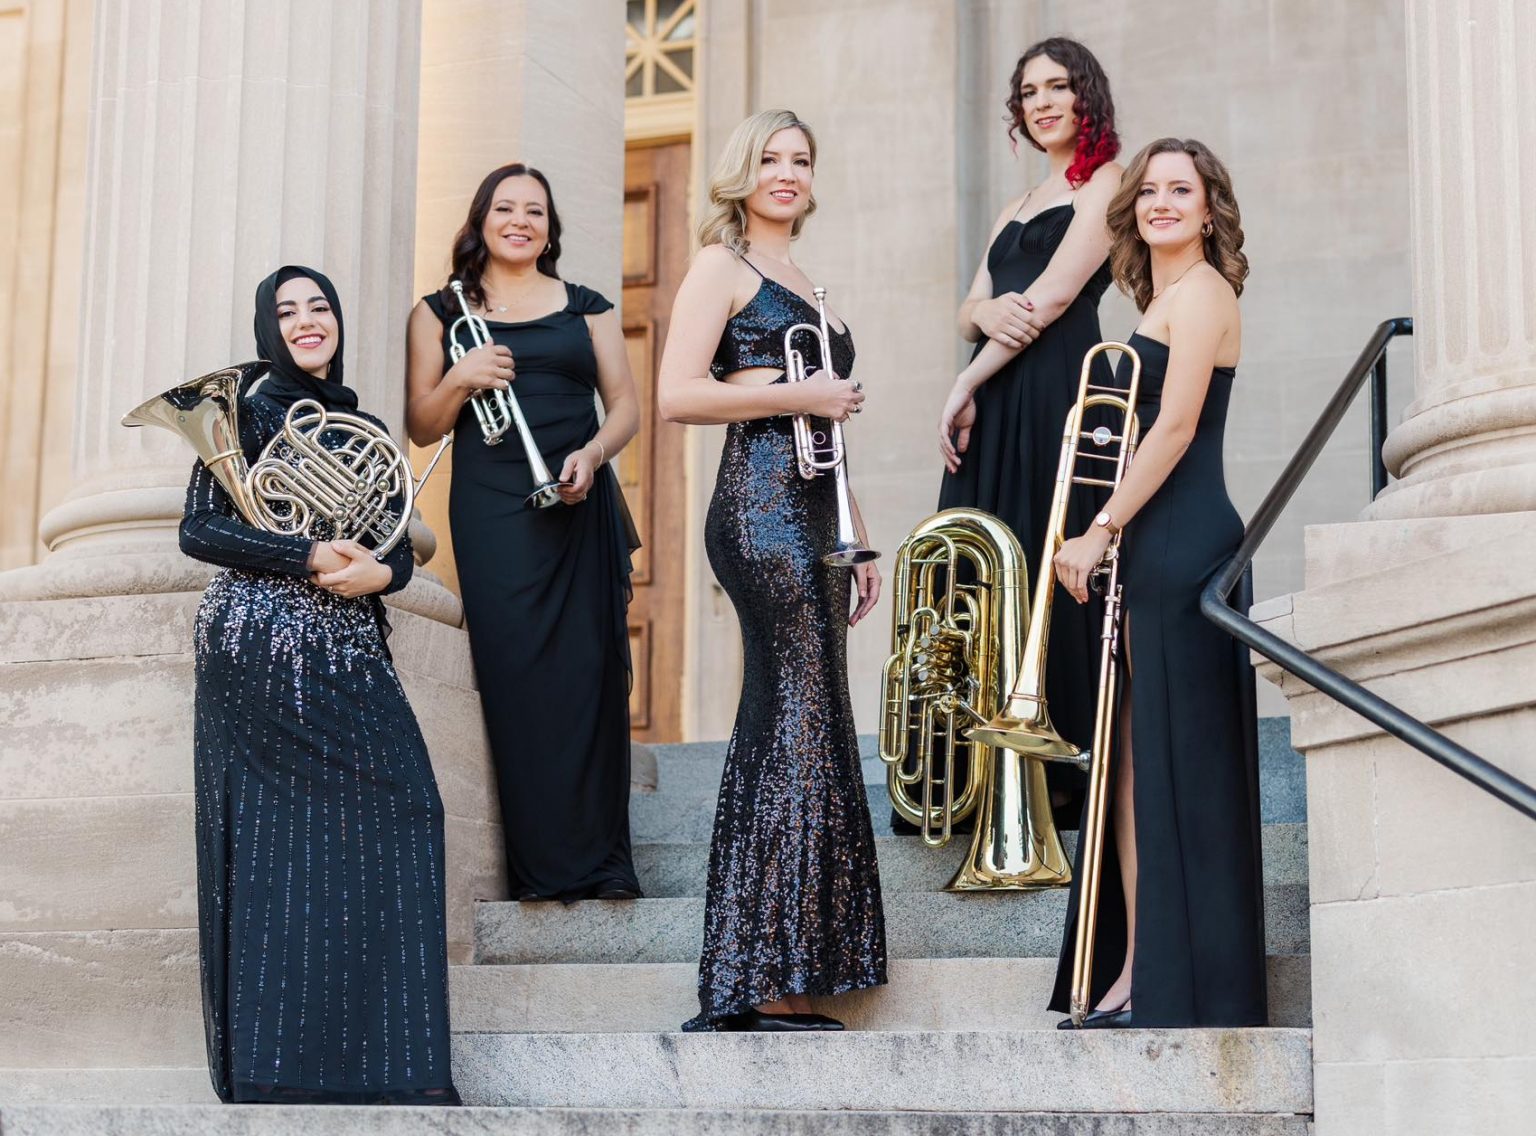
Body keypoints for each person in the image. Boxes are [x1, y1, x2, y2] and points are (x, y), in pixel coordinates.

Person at [181, 265, 459, 1103]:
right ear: (271, 327)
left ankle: (380, 1066)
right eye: (288, 310)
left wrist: (384, 578)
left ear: (339, 321)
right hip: (261, 636)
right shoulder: (248, 406)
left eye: (321, 307)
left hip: (346, 637)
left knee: (406, 810)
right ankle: (281, 1070)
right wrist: (304, 554)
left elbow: (396, 542)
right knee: (273, 845)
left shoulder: (364, 423)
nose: (308, 321)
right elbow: (199, 528)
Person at [657, 109, 887, 1032]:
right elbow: (676, 393)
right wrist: (797, 390)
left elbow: (824, 431)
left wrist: (857, 532)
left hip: (815, 513)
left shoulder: (806, 282)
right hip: (756, 510)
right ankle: (761, 976)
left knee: (812, 713)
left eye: (801, 159)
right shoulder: (724, 267)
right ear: (740, 174)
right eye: (770, 160)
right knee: (794, 713)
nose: (786, 173)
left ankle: (786, 964)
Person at [1049, 139, 1266, 1028]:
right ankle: (1144, 963)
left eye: (1183, 189)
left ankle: (1179, 977)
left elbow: (1173, 431)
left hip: (1180, 542)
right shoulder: (1161, 297)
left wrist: (1099, 530)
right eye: (1150, 190)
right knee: (1136, 767)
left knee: (1178, 765)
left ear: (1211, 208)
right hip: (1150, 540)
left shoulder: (1207, 293)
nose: (1162, 202)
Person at [406, 163, 643, 903]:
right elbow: (419, 425)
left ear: (550, 227)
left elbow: (627, 407)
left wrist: (594, 454)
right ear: (479, 221)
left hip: (576, 502)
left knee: (588, 677)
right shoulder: (440, 312)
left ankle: (600, 864)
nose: (519, 221)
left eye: (534, 211)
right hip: (493, 509)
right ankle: (541, 868)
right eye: (504, 209)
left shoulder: (589, 307)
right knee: (516, 678)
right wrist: (460, 377)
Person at [925, 37, 1124, 830]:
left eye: (1058, 87)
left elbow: (1050, 296)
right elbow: (970, 304)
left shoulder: (1109, 184)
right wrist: (980, 323)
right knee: (981, 565)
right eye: (1029, 91)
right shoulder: (1013, 206)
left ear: (1087, 99)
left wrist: (965, 379)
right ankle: (974, 776)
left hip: (1056, 391)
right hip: (998, 393)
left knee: (1046, 559)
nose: (1042, 102)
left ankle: (1060, 768)